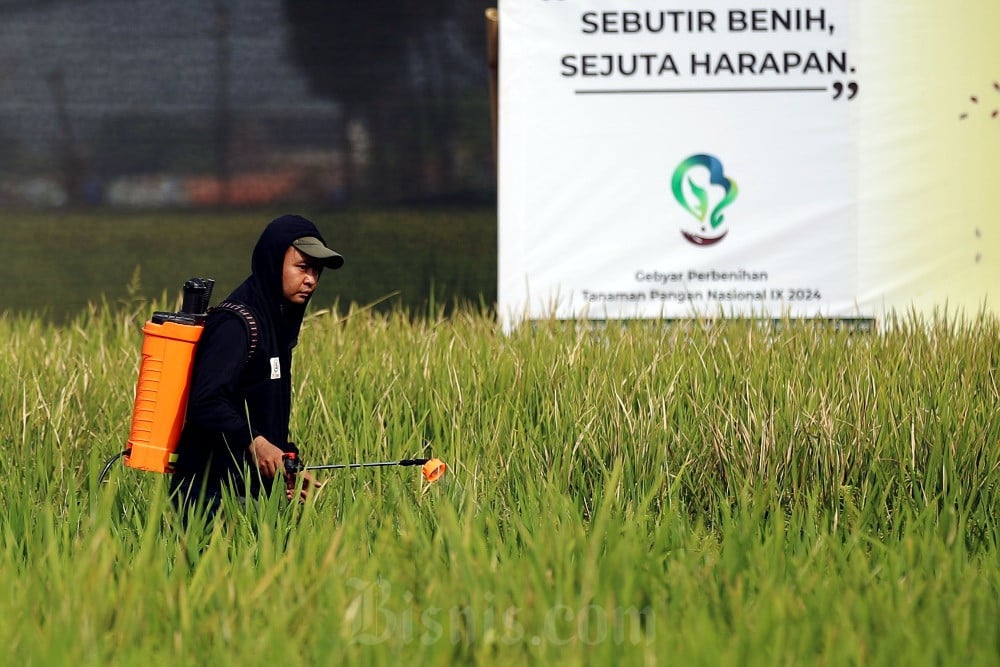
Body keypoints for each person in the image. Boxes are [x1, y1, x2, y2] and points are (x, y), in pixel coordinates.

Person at [169, 214, 343, 517]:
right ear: (273, 263)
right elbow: (205, 402)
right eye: (302, 267)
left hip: (245, 494)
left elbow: (259, 410)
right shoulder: (235, 324)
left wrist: (285, 464)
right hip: (208, 497)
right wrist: (255, 443)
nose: (311, 279)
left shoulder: (277, 324)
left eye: (316, 270)